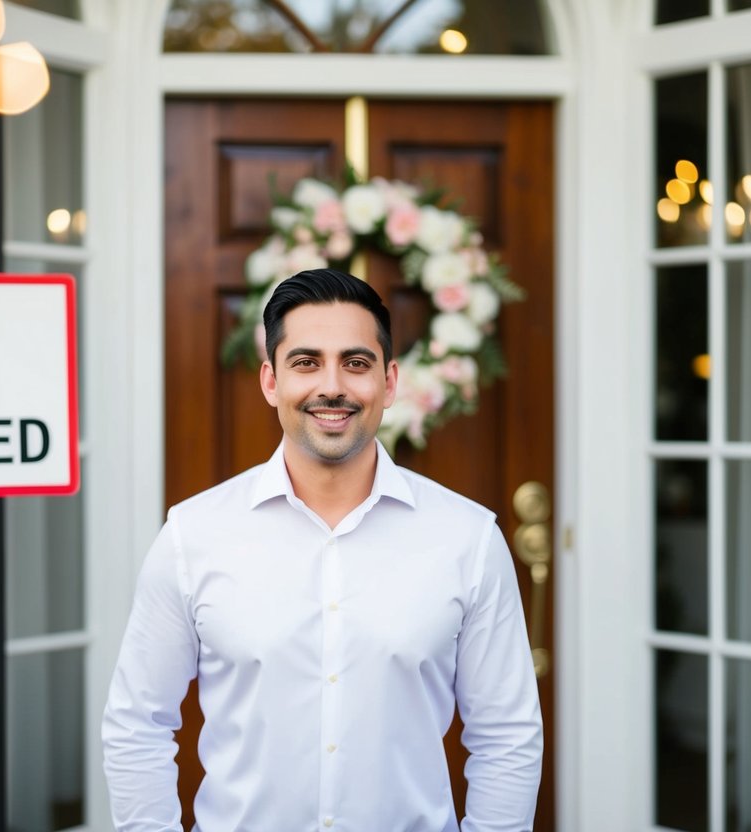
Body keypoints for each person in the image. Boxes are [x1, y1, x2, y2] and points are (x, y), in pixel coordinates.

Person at [102, 268, 543, 831]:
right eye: (306, 362)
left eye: (355, 363)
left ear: (388, 383)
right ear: (270, 381)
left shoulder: (468, 538)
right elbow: (138, 723)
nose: (331, 385)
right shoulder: (192, 536)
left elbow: (507, 734)